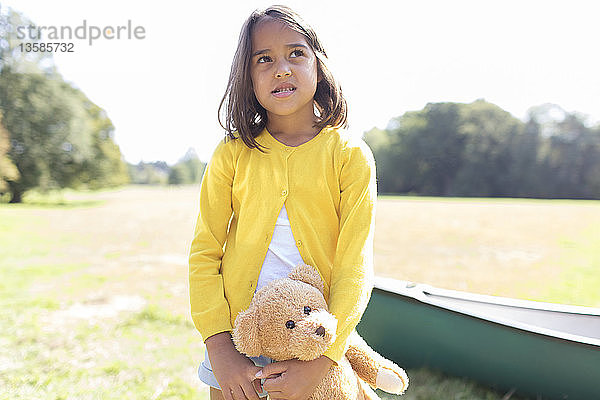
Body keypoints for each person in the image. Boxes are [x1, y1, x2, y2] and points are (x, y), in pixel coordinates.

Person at [189, 5, 377, 400]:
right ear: (248, 76)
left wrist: (323, 359)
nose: (282, 69)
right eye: (264, 59)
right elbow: (205, 252)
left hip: (316, 342)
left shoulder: (349, 155)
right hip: (237, 346)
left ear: (319, 64)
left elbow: (354, 267)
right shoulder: (230, 154)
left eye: (296, 53)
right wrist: (220, 348)